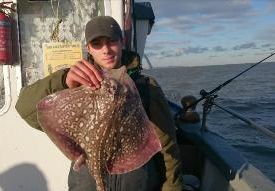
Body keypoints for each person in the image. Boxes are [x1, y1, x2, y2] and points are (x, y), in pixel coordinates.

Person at [15, 16, 182, 191]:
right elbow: (26, 109)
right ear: (89, 48)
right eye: (97, 44)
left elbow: (167, 146)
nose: (106, 50)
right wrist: (63, 81)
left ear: (122, 42)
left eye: (111, 41)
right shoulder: (74, 84)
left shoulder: (146, 87)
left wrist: (173, 187)